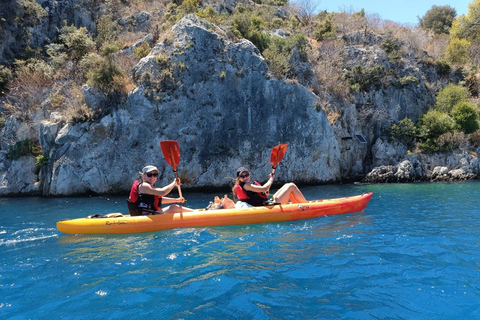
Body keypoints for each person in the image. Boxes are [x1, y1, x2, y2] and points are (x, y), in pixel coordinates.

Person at [129, 165, 193, 215]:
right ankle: (196, 214)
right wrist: (174, 183)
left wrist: (177, 200)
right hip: (146, 216)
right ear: (144, 175)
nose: (152, 177)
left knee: (174, 207)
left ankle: (194, 212)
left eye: (155, 175)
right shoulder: (144, 186)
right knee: (174, 207)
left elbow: (158, 199)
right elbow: (162, 192)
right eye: (149, 175)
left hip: (149, 214)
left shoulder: (147, 186)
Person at [232, 167, 307, 208]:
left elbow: (265, 191)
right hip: (266, 206)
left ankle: (299, 206)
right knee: (291, 186)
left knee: (288, 185)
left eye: (247, 175)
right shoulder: (245, 185)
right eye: (242, 176)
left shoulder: (251, 184)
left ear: (249, 174)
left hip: (267, 203)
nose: (245, 177)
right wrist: (271, 179)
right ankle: (307, 206)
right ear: (239, 178)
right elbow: (264, 188)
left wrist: (270, 179)